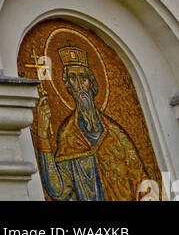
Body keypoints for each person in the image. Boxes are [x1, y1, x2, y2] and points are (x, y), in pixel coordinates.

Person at [35, 45, 150, 201]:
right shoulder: (69, 135)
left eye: (84, 77)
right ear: (68, 86)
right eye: (73, 78)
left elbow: (142, 183)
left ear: (91, 82)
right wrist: (42, 134)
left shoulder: (115, 133)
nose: (80, 85)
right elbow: (58, 190)